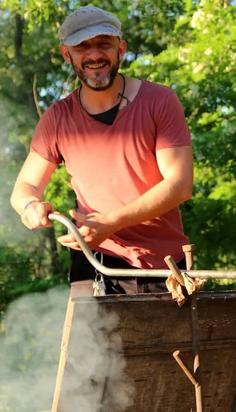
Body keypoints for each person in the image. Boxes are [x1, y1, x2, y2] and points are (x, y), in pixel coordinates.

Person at [10, 5, 193, 297]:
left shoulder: (159, 100)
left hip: (163, 266)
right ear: (66, 54)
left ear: (120, 49)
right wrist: (30, 206)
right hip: (92, 262)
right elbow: (25, 187)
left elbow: (180, 185)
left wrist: (111, 222)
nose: (94, 55)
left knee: (168, 345)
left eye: (103, 44)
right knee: (83, 343)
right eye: (82, 47)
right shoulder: (57, 118)